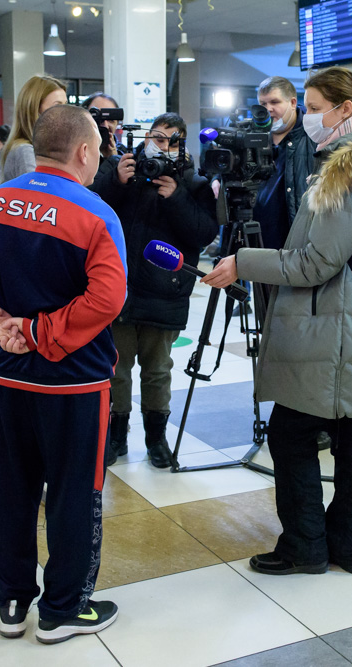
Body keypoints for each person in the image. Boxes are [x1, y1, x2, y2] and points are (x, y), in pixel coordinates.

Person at [202, 66, 352, 576]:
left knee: (290, 434)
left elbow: (314, 263)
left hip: (336, 329)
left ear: (344, 110)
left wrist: (243, 262)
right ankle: (349, 548)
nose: (307, 118)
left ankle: (305, 546)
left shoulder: (351, 175)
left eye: (312, 107)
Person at [0, 104, 125, 644]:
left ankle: (12, 603)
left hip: (9, 376)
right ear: (84, 152)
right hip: (75, 380)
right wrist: (44, 331)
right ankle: (64, 608)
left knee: (13, 487)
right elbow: (108, 297)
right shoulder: (96, 214)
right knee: (75, 491)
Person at [90, 112, 217, 468]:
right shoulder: (120, 170)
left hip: (165, 292)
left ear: (182, 146)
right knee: (116, 369)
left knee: (158, 370)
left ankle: (156, 438)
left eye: (172, 141)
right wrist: (115, 180)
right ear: (145, 138)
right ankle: (116, 436)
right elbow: (91, 209)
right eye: (157, 138)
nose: (162, 147)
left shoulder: (193, 182)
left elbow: (204, 234)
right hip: (119, 291)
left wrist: (176, 197)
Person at [253, 76, 317, 250]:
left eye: (274, 102)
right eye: (263, 104)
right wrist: (215, 179)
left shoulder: (314, 137)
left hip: (297, 243)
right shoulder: (251, 137)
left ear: (293, 102)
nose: (268, 109)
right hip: (258, 242)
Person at [0, 75, 67, 184]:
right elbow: (40, 195)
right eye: (57, 106)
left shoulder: (40, 149)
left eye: (66, 105)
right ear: (35, 110)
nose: (65, 112)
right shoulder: (25, 151)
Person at [83, 92, 124, 158]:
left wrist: (114, 159)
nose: (105, 125)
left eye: (111, 120)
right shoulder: (73, 152)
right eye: (98, 117)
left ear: (117, 124)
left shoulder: (125, 154)